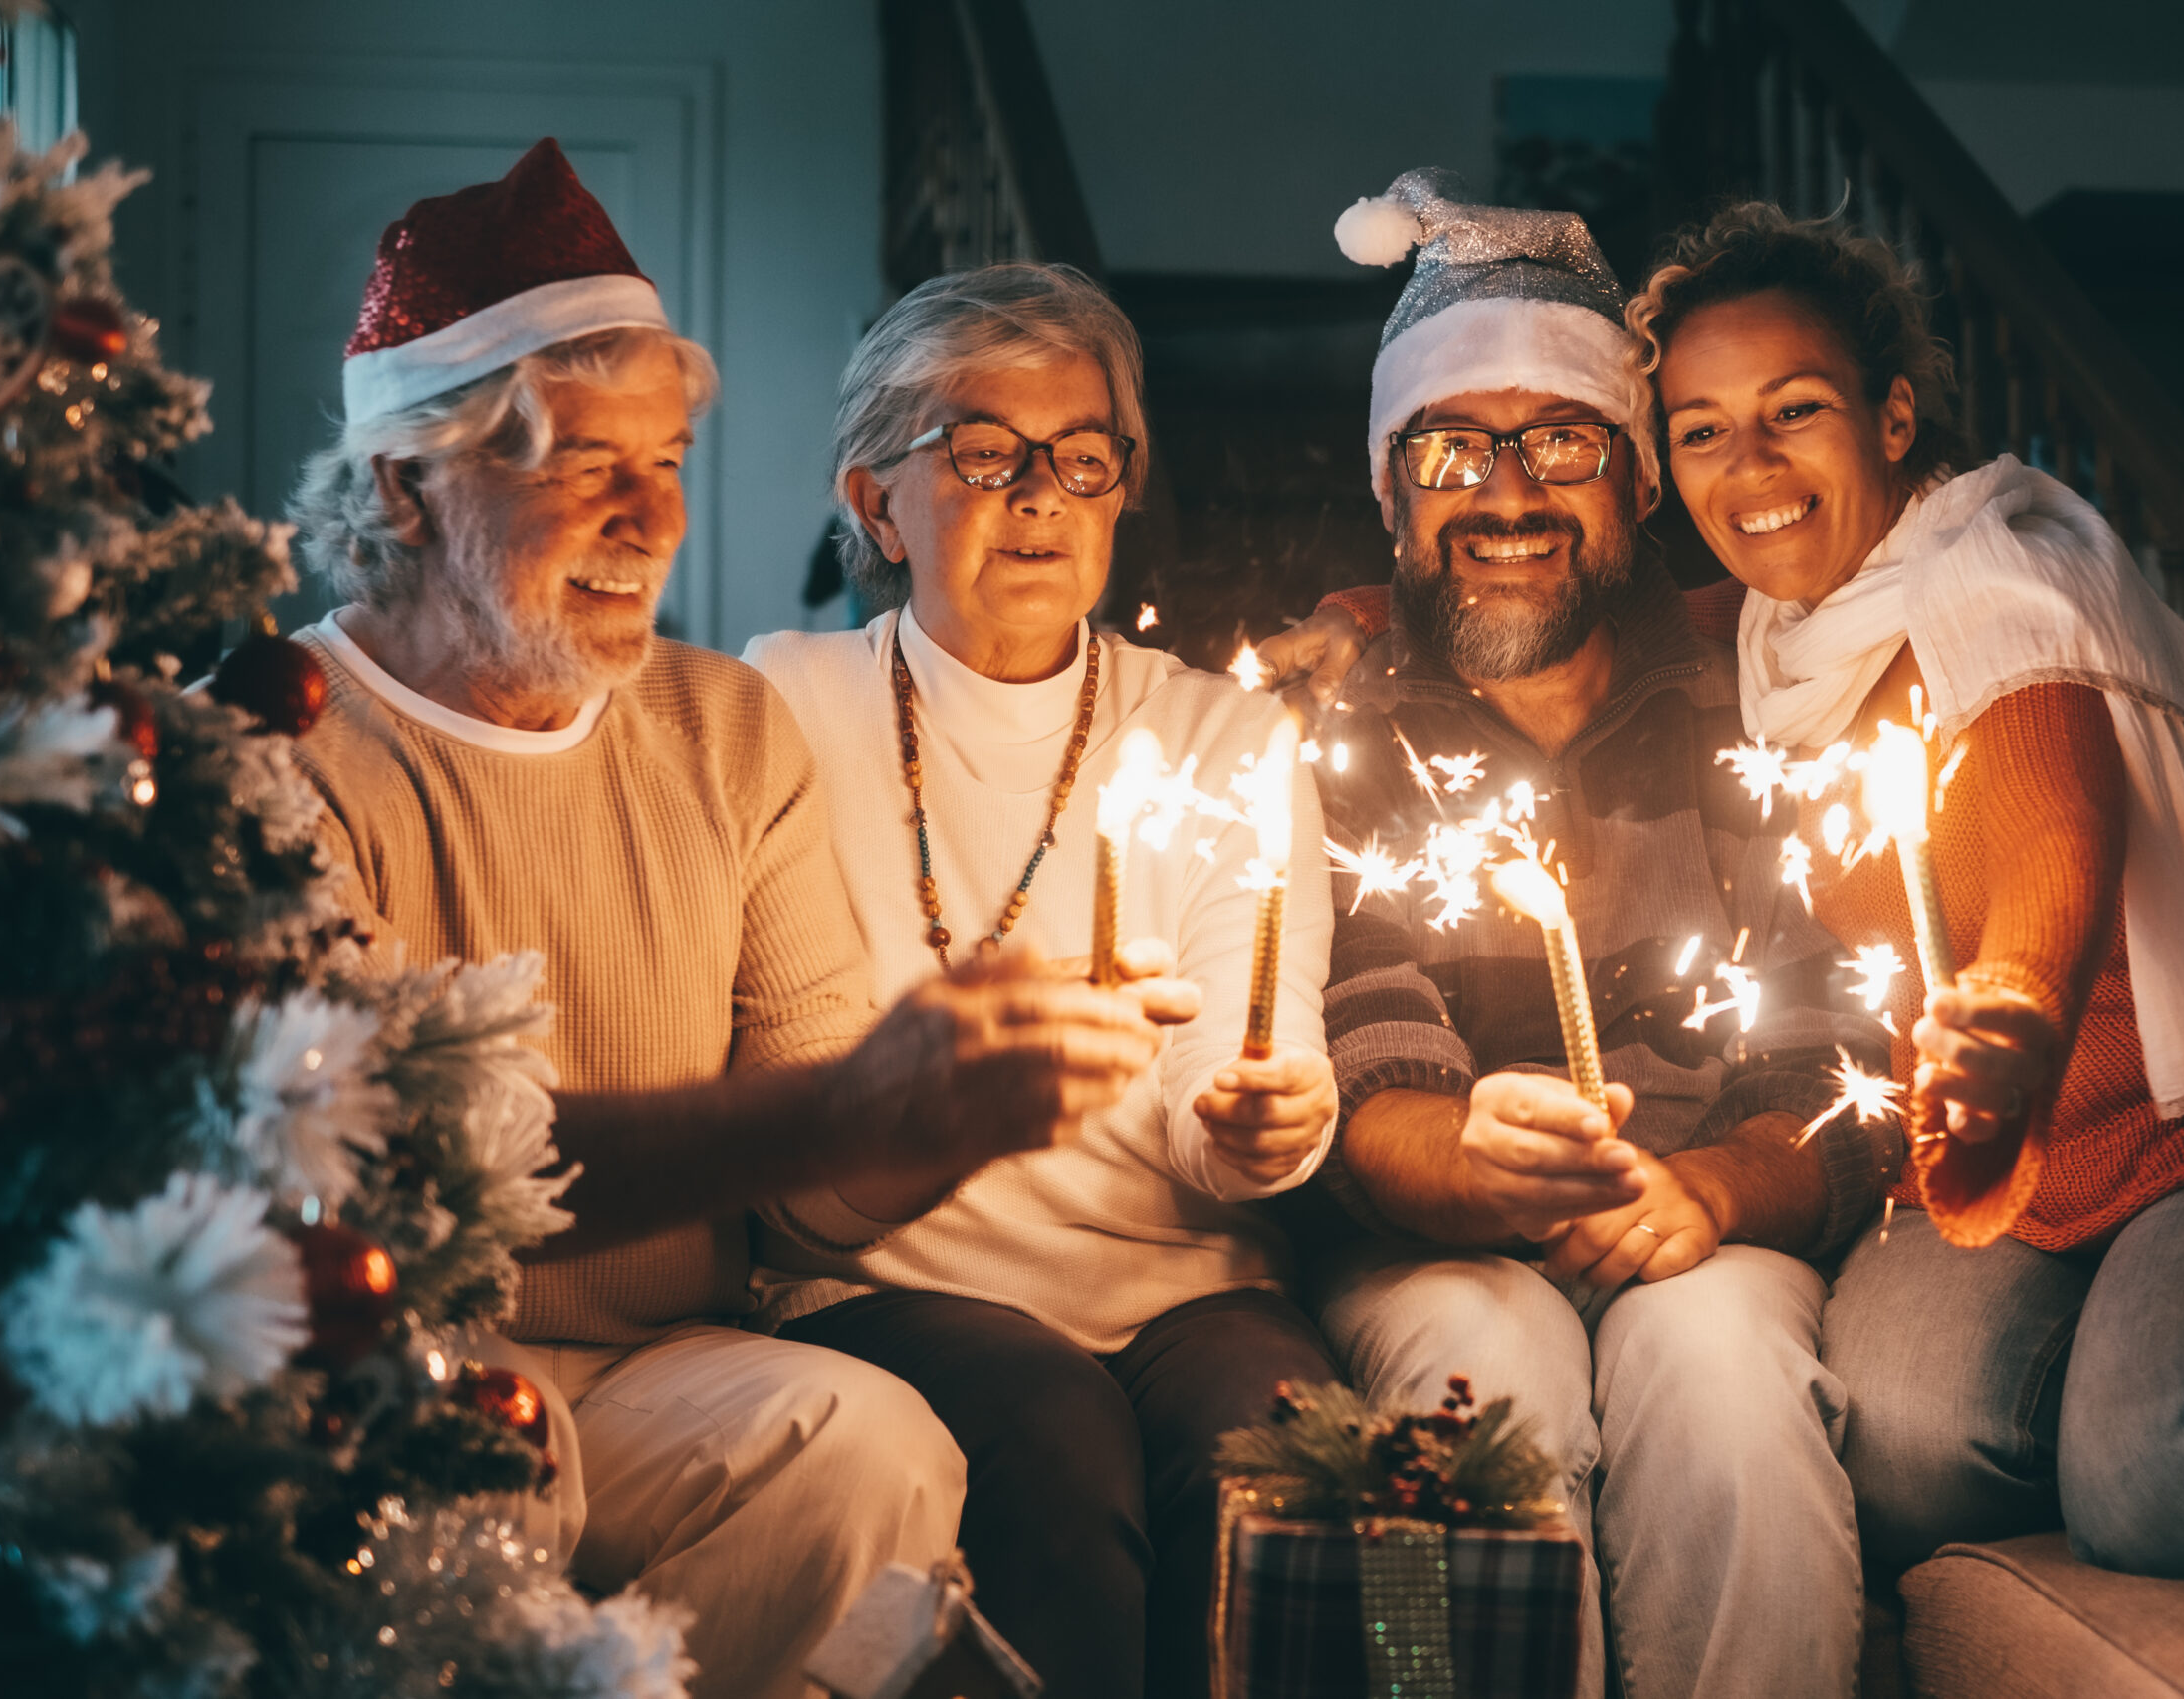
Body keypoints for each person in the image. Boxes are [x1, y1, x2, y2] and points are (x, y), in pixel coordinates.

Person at [286, 143, 1166, 1698]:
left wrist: (944, 1111)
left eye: (670, 460)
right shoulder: (278, 749)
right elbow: (398, 1188)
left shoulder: (723, 728)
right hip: (376, 1377)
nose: (649, 518)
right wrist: (837, 1106)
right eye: (579, 462)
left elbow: (818, 1205)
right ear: (402, 487)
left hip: (662, 1374)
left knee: (877, 1448)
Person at [1628, 202, 2184, 1581]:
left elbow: (2053, 829)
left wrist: (2018, 1007)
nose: (1751, 464)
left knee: (2165, 1480)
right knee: (1906, 1450)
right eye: (1701, 429)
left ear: (1893, 416)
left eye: (1794, 410)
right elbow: (1596, 627)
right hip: (2020, 1180)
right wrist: (1366, 622)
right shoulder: (1780, 639)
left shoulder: (2002, 585)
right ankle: (2125, 1383)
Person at [1288, 169, 1903, 1699]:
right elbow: (1367, 1095)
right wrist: (1474, 1161)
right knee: (1469, 1388)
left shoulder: (1756, 710)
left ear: (1636, 482)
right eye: (1449, 447)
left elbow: (1836, 1068)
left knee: (1729, 1380)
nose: (1506, 493)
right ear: (1390, 491)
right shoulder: (1328, 737)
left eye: (1561, 440)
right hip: (1433, 1242)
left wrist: (1713, 1186)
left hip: (1702, 1217)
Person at [738, 261, 1343, 1699]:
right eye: (982, 451)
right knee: (1057, 1432)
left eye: (1083, 457)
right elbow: (780, 1116)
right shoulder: (779, 709)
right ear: (874, 502)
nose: (1042, 496)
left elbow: (1250, 1048)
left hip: (1181, 1280)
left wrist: (1260, 1121)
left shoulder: (1228, 742)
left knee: (1283, 1436)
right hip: (883, 1276)